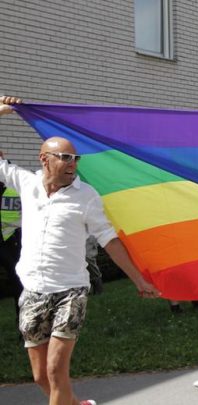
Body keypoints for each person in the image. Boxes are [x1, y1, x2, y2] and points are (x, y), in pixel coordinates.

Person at [0, 96, 160, 405]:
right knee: (40, 376)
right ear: (44, 159)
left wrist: (138, 279)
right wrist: (2, 111)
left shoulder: (86, 195)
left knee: (56, 371)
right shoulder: (26, 183)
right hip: (32, 291)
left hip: (70, 292)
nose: (73, 164)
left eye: (75, 158)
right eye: (65, 158)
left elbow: (109, 240)